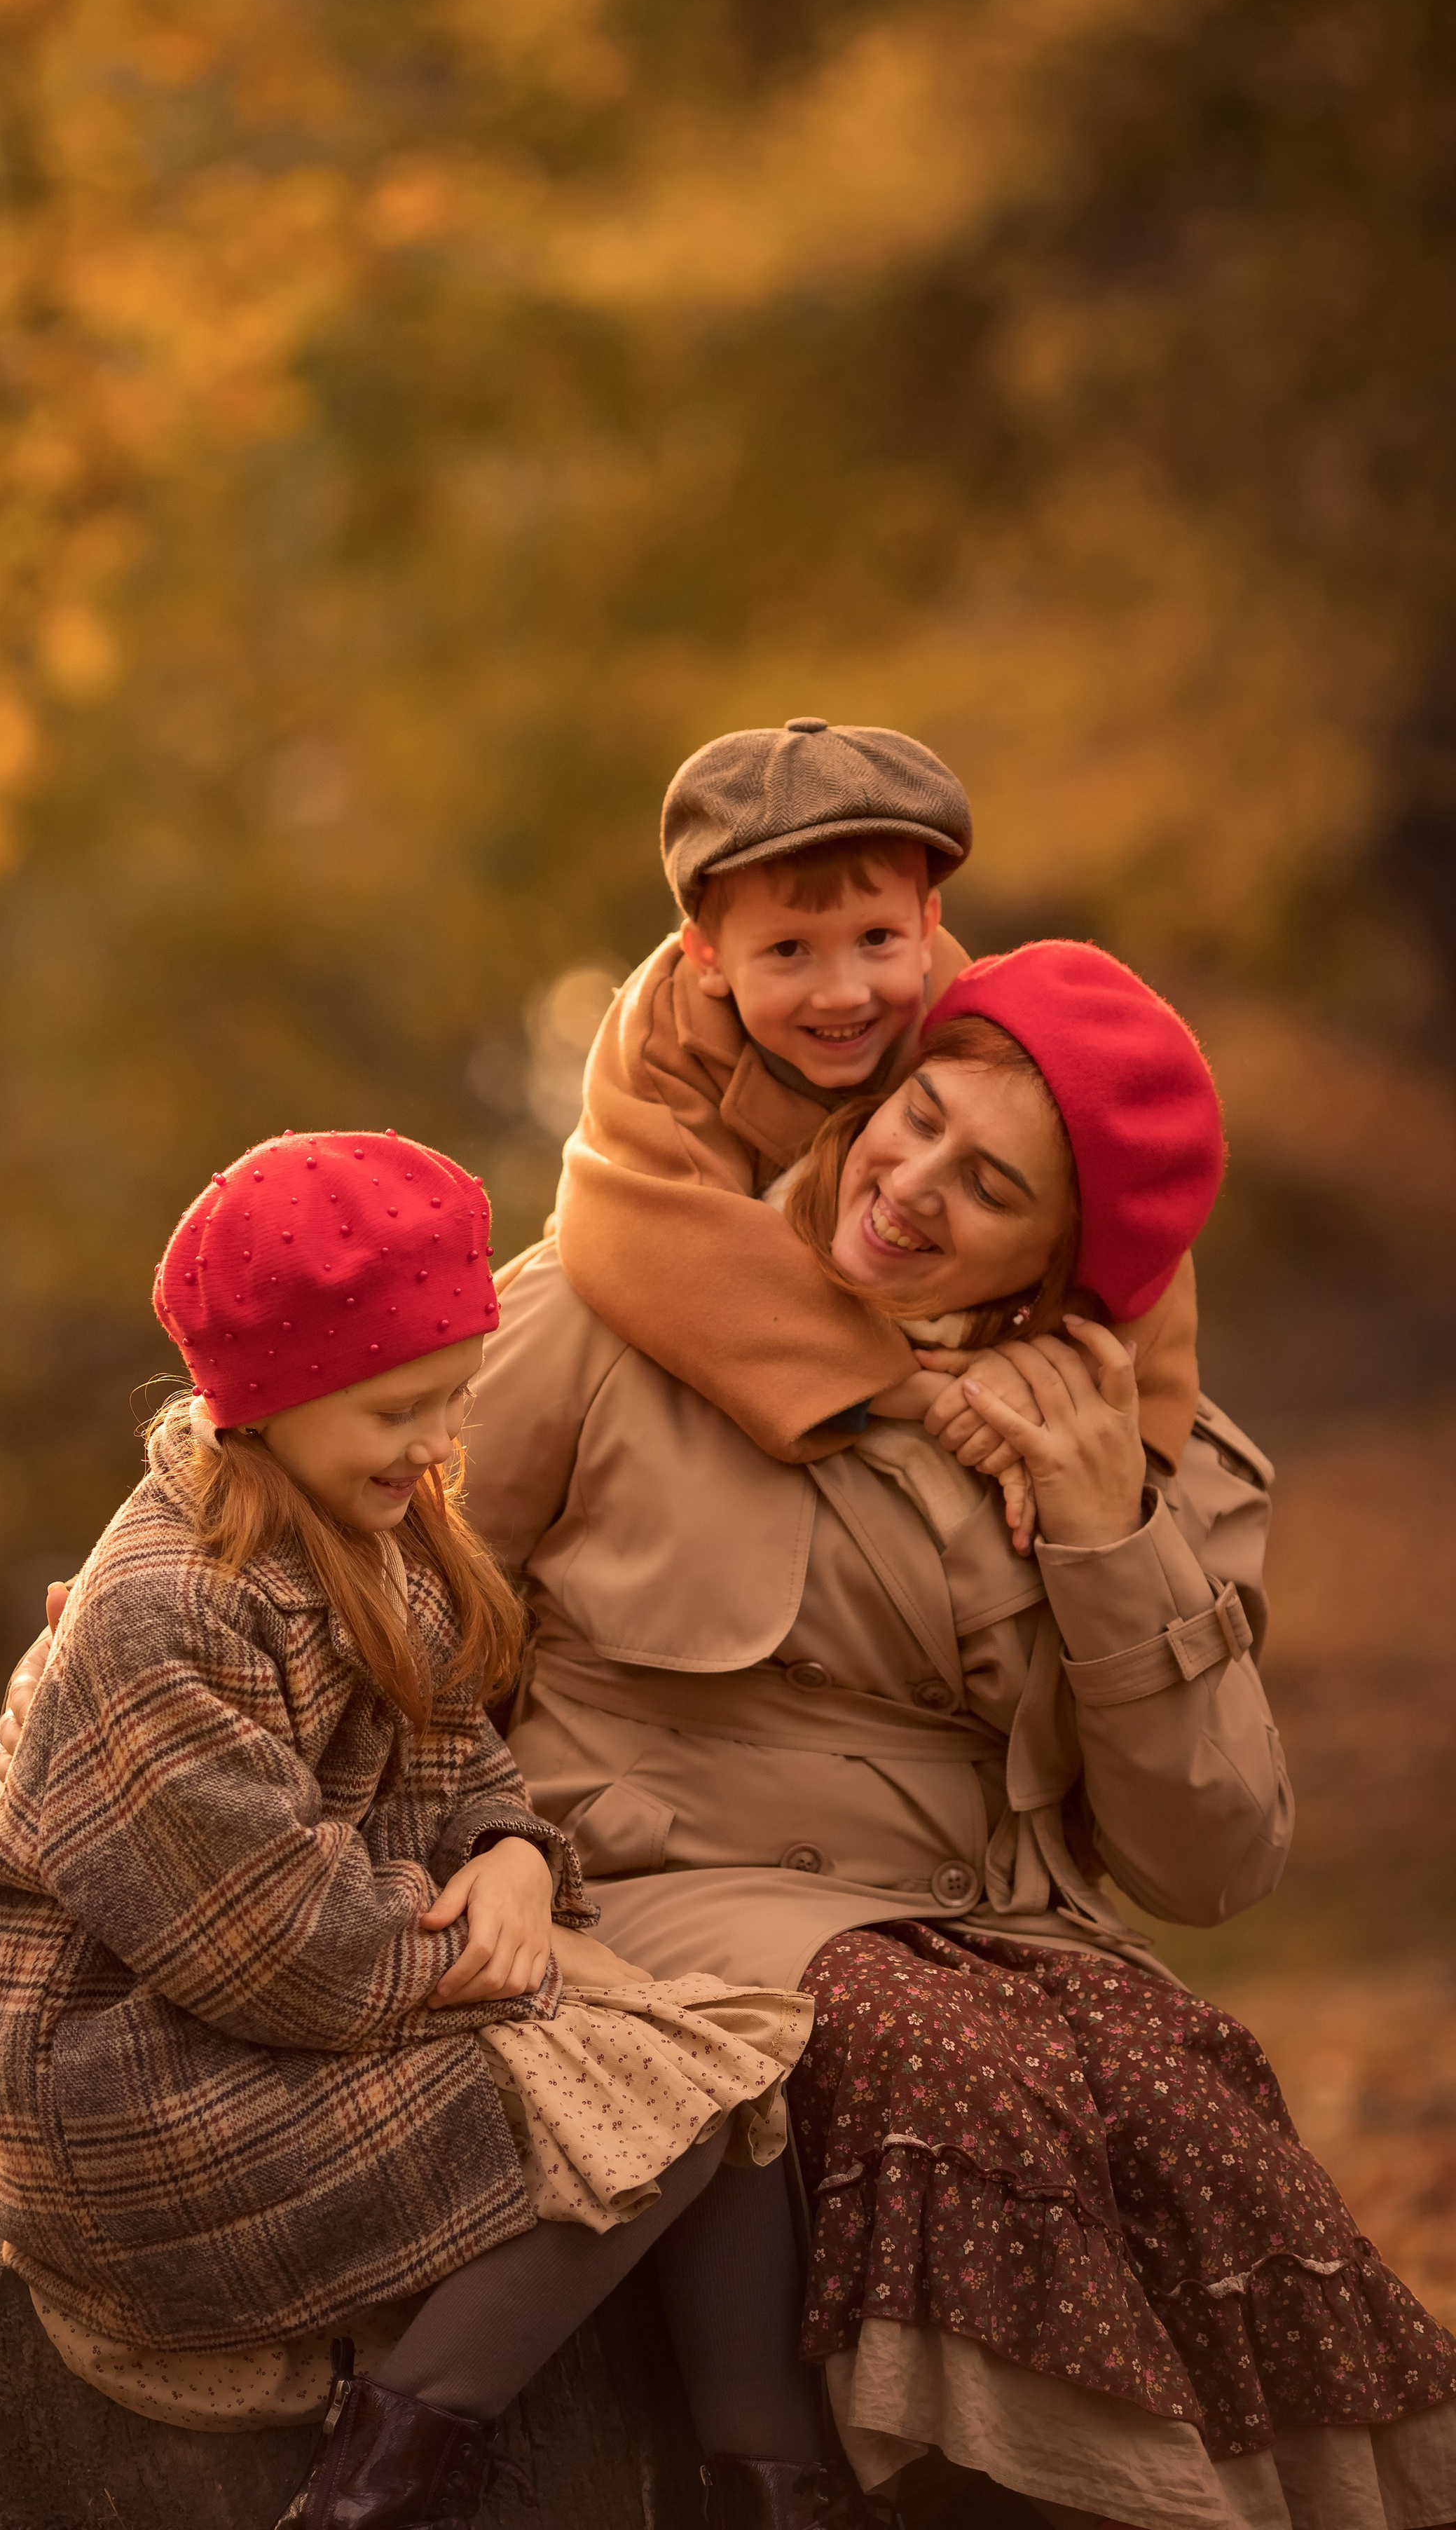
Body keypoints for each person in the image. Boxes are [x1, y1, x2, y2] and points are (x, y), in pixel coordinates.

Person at [465, 945, 1456, 2530]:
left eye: (986, 1184)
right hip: (671, 1887)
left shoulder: (1142, 1458)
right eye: (911, 1115)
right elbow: (366, 1550)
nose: (908, 1182)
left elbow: (1209, 1865)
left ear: (1062, 1268)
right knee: (953, 2060)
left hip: (984, 1923)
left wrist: (1100, 1531)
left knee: (1189, 2086)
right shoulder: (603, 1310)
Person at [0, 1131, 837, 2530]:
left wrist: (511, 1858)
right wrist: (539, 1976)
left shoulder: (367, 1531)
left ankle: (773, 2495)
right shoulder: (162, 1613)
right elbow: (283, 1948)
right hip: (141, 2089)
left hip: (306, 2015)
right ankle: (381, 2489)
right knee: (653, 2104)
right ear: (268, 1400)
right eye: (396, 1410)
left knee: (717, 2077)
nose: (434, 1446)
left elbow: (453, 1751)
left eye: (449, 1402)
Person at [554, 716, 1201, 1475]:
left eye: (876, 940)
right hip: (786, 1352)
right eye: (788, 950)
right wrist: (892, 1387)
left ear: (926, 926)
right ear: (708, 957)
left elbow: (1118, 1206)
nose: (842, 993)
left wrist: (1044, 1375)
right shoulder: (658, 1046)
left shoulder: (972, 1027)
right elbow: (649, 1240)